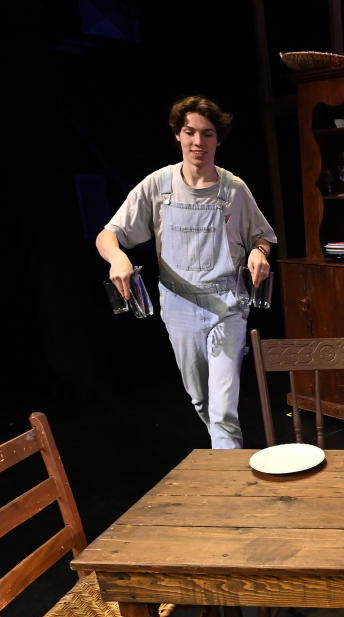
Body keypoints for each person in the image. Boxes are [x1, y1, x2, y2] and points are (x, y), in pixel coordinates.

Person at [96, 95, 277, 449]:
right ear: (178, 135)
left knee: (224, 409)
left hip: (227, 303)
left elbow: (262, 236)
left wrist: (258, 252)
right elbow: (107, 235)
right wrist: (117, 258)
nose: (198, 142)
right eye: (190, 132)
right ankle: (227, 467)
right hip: (179, 306)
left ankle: (230, 486)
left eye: (207, 134)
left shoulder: (234, 189)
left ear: (218, 139)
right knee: (202, 401)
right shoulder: (158, 187)